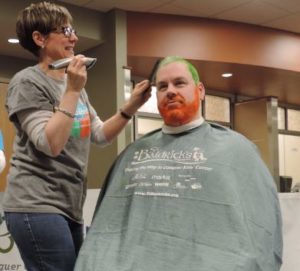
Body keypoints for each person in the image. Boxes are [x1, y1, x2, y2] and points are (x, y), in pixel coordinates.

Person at [74, 56, 283, 271]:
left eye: (179, 83)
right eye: (162, 86)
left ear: (200, 90)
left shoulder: (237, 151)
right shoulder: (134, 154)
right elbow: (106, 231)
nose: (170, 91)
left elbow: (262, 231)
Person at [2, 2, 150, 271]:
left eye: (73, 30)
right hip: (36, 205)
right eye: (65, 30)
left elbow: (99, 134)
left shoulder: (74, 87)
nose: (74, 37)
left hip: (68, 206)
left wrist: (132, 107)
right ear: (39, 38)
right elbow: (50, 144)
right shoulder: (27, 82)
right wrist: (71, 90)